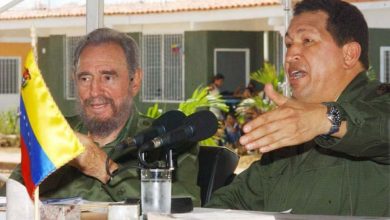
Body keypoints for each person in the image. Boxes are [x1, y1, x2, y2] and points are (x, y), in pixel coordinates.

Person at [206, 0, 389, 216]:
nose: (291, 55)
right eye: (288, 44)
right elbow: (238, 199)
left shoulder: (379, 104)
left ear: (349, 54)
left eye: (308, 40)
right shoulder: (293, 134)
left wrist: (326, 120)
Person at [0, 28, 200, 205]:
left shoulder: (167, 141)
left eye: (108, 77)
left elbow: (189, 208)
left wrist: (104, 169)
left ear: (134, 81)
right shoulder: (57, 134)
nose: (95, 91)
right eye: (85, 78)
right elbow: (9, 199)